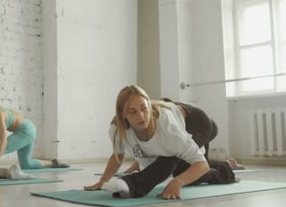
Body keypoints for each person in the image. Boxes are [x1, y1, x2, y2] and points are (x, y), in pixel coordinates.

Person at [84, 85, 237, 200]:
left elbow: (201, 165)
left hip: (196, 122)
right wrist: (103, 181)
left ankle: (224, 171)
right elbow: (118, 155)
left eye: (144, 108)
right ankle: (224, 164)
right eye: (133, 112)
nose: (141, 116)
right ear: (123, 114)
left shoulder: (168, 129)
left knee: (175, 164)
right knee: (180, 163)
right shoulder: (118, 130)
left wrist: (177, 183)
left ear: (149, 107)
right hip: (173, 115)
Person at [0, 91, 69, 170]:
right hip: (24, 131)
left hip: (27, 130)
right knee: (26, 164)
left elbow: (3, 143)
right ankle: (53, 163)